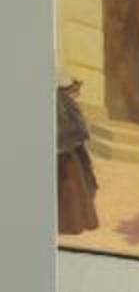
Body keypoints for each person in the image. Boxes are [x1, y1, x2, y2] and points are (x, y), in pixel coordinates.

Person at [55, 78, 98, 234]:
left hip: (64, 150)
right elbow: (81, 129)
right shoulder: (67, 103)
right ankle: (73, 224)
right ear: (69, 90)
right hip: (68, 151)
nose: (77, 95)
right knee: (72, 187)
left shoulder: (59, 101)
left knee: (69, 187)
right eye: (76, 91)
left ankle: (70, 224)